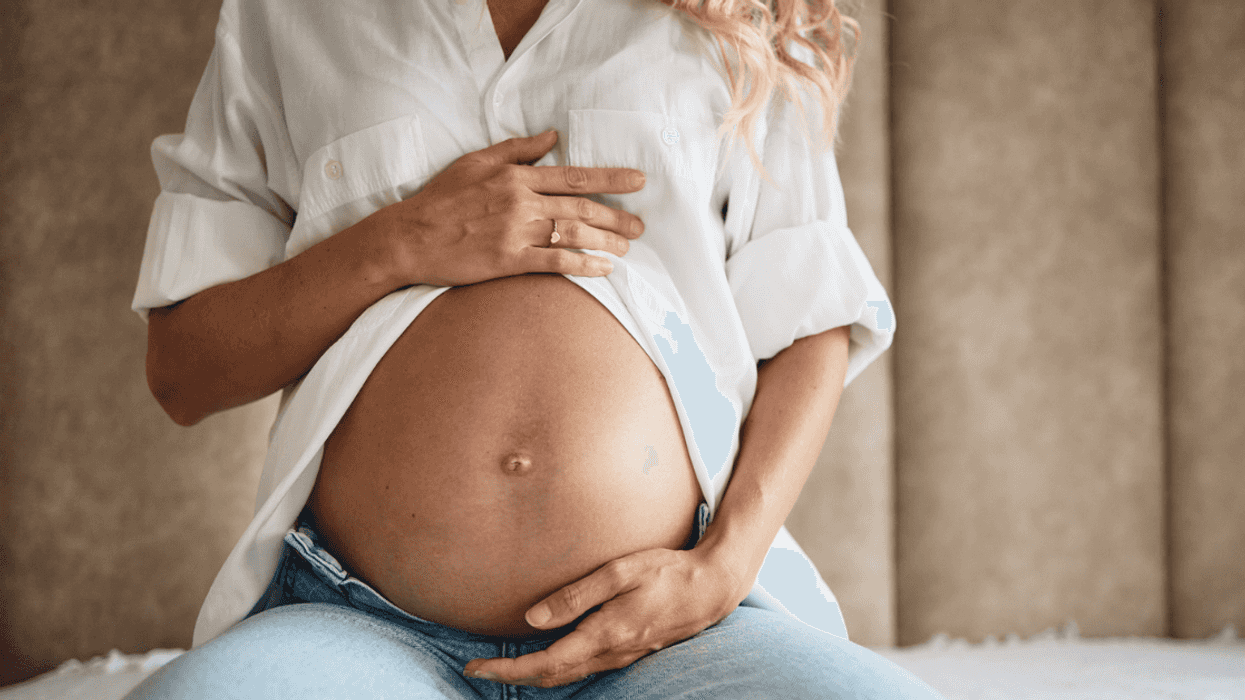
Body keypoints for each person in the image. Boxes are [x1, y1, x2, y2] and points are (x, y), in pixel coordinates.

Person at [124, 0, 945, 696]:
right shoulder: (288, 15)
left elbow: (808, 319)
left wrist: (723, 570)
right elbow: (184, 371)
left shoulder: (740, 15)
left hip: (669, 630)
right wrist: (397, 242)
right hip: (355, 622)